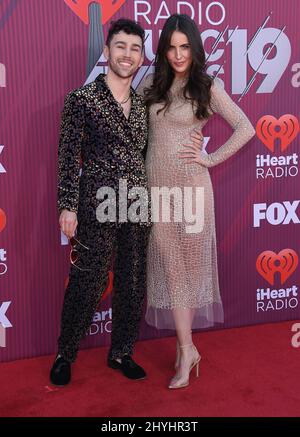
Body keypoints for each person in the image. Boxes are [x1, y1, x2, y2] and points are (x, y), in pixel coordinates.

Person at [137, 14, 255, 389]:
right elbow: (132, 128)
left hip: (192, 189)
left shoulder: (207, 86)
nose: (177, 54)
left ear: (194, 47)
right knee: (170, 270)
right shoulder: (151, 84)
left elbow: (246, 127)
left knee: (185, 270)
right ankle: (186, 348)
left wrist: (210, 157)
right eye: (171, 47)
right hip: (157, 191)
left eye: (184, 46)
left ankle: (186, 349)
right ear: (163, 50)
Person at [50, 18, 150, 385]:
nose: (127, 54)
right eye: (121, 46)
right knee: (87, 280)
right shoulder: (81, 100)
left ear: (141, 57)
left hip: (137, 203)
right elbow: (67, 157)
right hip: (95, 202)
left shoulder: (141, 106)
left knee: (132, 282)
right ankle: (65, 353)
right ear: (107, 51)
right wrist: (67, 205)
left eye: (135, 48)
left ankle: (122, 352)